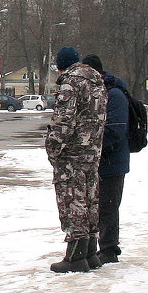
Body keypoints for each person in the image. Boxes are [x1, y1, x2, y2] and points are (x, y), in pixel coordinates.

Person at [46, 46, 107, 273]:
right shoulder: (96, 81)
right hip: (92, 151)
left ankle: (75, 256)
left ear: (61, 65)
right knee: (90, 199)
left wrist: (52, 147)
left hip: (71, 154)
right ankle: (90, 252)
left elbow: (64, 119)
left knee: (73, 202)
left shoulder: (71, 82)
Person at [80, 54, 129, 264]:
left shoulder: (115, 94)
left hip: (112, 161)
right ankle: (100, 248)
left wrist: (90, 146)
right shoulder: (94, 92)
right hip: (97, 161)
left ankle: (109, 249)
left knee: (108, 207)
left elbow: (115, 130)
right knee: (96, 207)